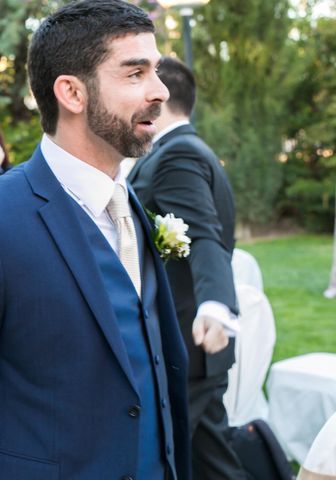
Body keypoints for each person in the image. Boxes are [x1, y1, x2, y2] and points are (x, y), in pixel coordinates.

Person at [0, 2, 193, 479]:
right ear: (72, 92)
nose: (159, 91)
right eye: (135, 73)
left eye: (155, 70)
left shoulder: (130, 206)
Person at [128, 56, 246, 480]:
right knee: (211, 461)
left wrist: (215, 303)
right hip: (194, 347)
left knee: (163, 459)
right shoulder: (182, 149)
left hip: (186, 341)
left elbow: (202, 235)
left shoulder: (177, 155)